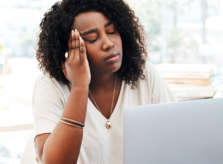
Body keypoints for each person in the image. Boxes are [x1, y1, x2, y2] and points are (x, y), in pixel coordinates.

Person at [32, 0, 176, 163]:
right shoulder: (50, 86)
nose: (108, 43)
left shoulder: (144, 73)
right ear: (68, 50)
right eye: (92, 38)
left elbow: (175, 136)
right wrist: (79, 87)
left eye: (112, 31)